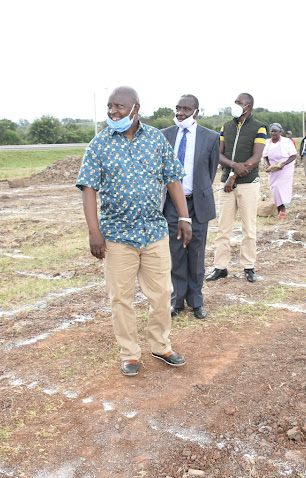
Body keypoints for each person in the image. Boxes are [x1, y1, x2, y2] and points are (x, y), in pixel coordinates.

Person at [76, 86, 191, 377]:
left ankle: (161, 346)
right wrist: (94, 232)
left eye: (119, 107)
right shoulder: (99, 144)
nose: (113, 112)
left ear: (136, 108)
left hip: (154, 232)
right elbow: (88, 190)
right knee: (121, 299)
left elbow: (173, 179)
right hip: (116, 237)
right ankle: (129, 354)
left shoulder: (155, 139)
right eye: (110, 107)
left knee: (162, 293)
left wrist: (184, 218)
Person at [161, 94, 220, 320]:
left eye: (186, 109)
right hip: (172, 205)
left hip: (198, 204)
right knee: (176, 252)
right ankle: (177, 301)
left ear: (196, 112)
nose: (180, 113)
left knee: (196, 252)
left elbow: (210, 170)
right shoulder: (164, 135)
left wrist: (196, 191)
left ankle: (196, 301)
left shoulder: (211, 137)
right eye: (177, 108)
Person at [207, 93, 266, 284]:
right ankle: (220, 267)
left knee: (249, 228)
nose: (235, 105)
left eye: (239, 102)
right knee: (223, 228)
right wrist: (233, 166)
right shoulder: (227, 126)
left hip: (248, 184)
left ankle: (248, 266)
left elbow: (256, 158)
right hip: (226, 186)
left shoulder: (259, 127)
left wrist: (233, 175)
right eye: (235, 102)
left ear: (248, 106)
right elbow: (218, 153)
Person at [263, 123, 297, 219]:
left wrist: (284, 164)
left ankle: (283, 210)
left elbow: (293, 155)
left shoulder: (286, 142)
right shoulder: (268, 142)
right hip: (274, 169)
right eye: (272, 131)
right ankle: (279, 209)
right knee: (274, 188)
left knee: (280, 186)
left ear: (280, 132)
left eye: (276, 131)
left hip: (286, 168)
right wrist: (268, 165)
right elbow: (265, 156)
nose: (274, 133)